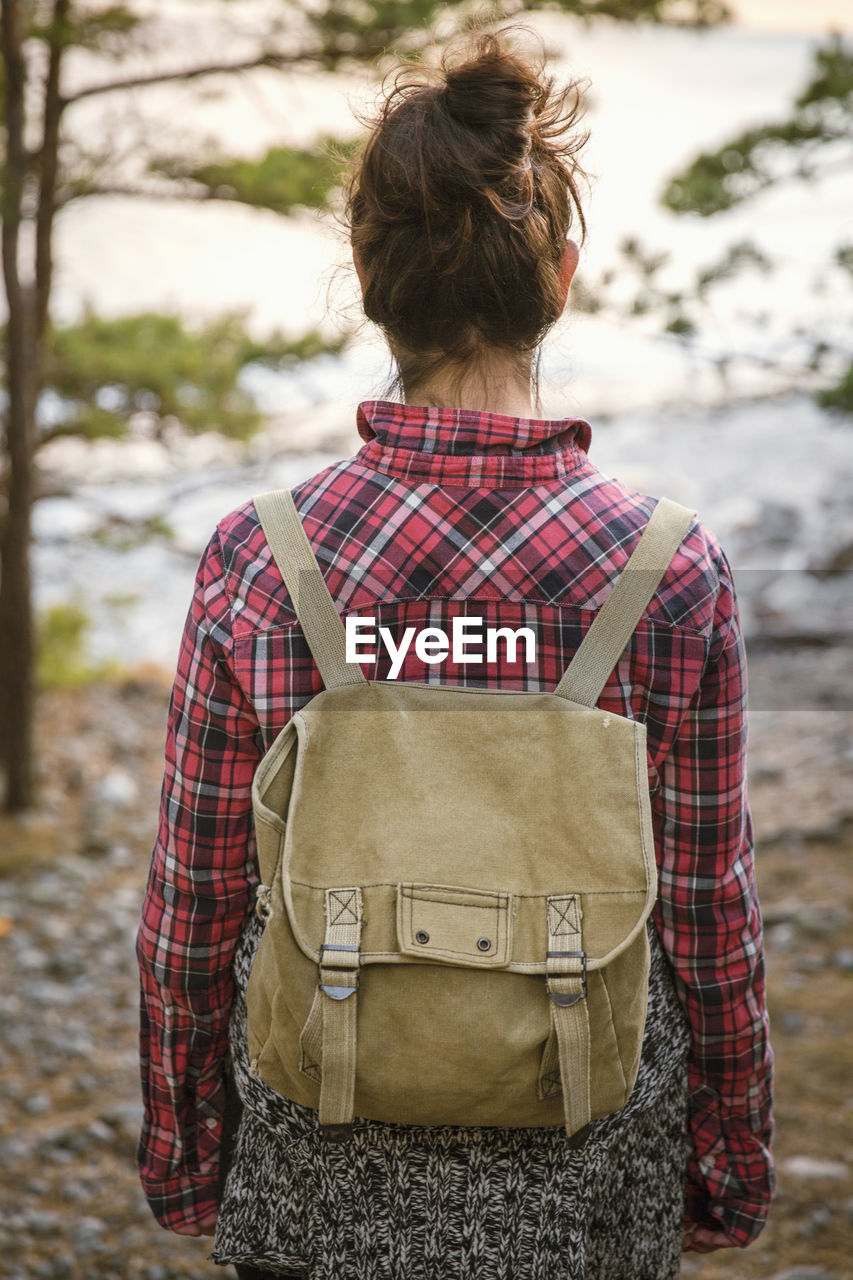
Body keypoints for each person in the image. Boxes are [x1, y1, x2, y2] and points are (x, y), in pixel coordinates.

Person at [135, 28, 775, 1280]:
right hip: (584, 1191)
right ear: (564, 276)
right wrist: (728, 1156)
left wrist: (187, 1151)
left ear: (373, 279)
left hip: (318, 1179)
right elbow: (709, 917)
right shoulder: (668, 575)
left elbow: (192, 909)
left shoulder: (262, 564)